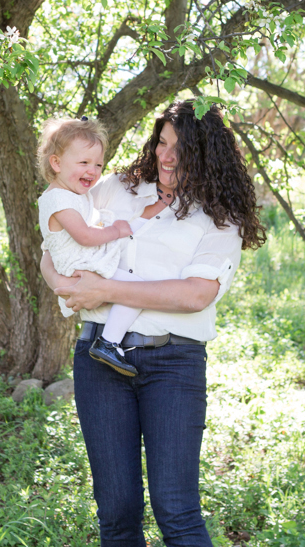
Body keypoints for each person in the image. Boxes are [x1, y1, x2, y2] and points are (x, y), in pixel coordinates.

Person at [39, 100, 267, 547]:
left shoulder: (220, 217)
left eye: (180, 149)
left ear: (205, 154)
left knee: (175, 507)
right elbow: (54, 239)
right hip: (98, 361)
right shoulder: (118, 188)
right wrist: (62, 284)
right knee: (117, 511)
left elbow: (195, 294)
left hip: (173, 363)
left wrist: (104, 291)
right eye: (162, 142)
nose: (166, 156)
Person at [35, 118, 145, 377]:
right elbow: (84, 236)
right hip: (80, 266)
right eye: (83, 162)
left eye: (98, 164)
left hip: (81, 263)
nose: (93, 170)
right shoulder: (59, 199)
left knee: (132, 286)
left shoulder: (71, 195)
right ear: (56, 163)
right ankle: (109, 342)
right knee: (136, 290)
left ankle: (109, 341)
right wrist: (114, 231)